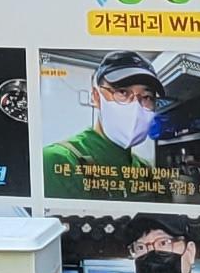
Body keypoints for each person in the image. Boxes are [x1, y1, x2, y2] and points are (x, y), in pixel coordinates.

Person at [45, 60, 165, 198]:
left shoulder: (146, 171)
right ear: (96, 97)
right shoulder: (58, 160)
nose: (136, 107)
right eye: (122, 92)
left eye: (147, 97)